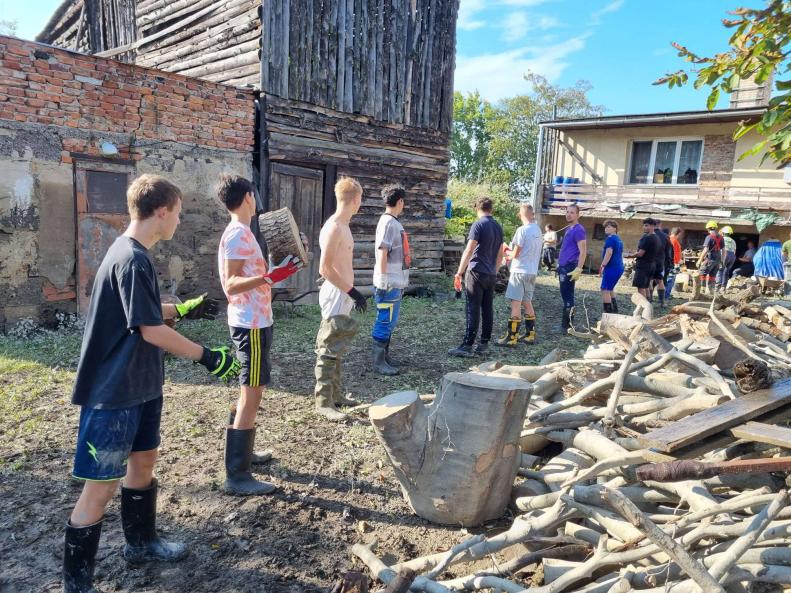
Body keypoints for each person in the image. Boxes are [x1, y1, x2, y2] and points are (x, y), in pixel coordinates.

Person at [63, 174, 241, 593]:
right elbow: (148, 329)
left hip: (141, 384)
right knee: (100, 488)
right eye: (178, 212)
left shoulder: (133, 255)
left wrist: (181, 308)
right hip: (113, 392)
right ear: (161, 211)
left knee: (143, 465)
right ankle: (77, 584)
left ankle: (140, 543)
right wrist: (207, 356)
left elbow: (143, 309)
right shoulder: (131, 257)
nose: (178, 221)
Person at [216, 175, 304, 496]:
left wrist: (278, 269)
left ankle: (244, 452)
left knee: (250, 389)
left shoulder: (242, 233)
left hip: (256, 320)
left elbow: (252, 276)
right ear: (249, 197)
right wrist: (269, 276)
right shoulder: (238, 234)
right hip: (250, 324)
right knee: (252, 391)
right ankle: (237, 474)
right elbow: (231, 284)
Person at [313, 177, 367, 421]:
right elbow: (324, 268)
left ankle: (335, 395)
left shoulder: (344, 226)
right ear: (355, 199)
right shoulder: (334, 227)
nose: (360, 203)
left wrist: (351, 291)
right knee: (328, 346)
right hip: (336, 292)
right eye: (360, 199)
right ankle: (323, 402)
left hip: (343, 292)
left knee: (338, 345)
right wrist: (351, 291)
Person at [448, 197, 504, 357]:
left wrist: (459, 272)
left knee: (472, 308)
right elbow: (500, 254)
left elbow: (469, 249)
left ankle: (467, 345)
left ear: (476, 208)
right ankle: (484, 344)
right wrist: (495, 270)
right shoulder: (497, 227)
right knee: (487, 309)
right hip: (490, 274)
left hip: (476, 272)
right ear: (491, 209)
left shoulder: (478, 225)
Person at [371, 184, 410, 375]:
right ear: (400, 201)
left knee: (390, 321)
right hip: (389, 283)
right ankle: (378, 362)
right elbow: (382, 253)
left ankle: (385, 356)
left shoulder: (393, 223)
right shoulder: (388, 223)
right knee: (385, 320)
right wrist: (383, 280)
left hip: (396, 282)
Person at [496, 203, 542, 346]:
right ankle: (530, 334)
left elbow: (515, 254)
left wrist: (505, 250)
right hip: (532, 271)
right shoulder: (538, 230)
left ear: (520, 215)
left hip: (519, 271)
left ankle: (512, 337)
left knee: (515, 303)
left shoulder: (522, 230)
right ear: (532, 214)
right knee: (527, 302)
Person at [556, 204, 587, 332]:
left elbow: (583, 251)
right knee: (566, 295)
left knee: (568, 296)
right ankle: (566, 325)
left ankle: (566, 326)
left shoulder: (579, 229)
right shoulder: (569, 229)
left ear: (578, 215)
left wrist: (579, 268)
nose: (568, 214)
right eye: (567, 212)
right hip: (564, 266)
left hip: (570, 267)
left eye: (572, 212)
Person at [629, 218, 661, 300]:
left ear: (653, 226)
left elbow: (640, 254)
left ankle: (643, 306)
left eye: (646, 225)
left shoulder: (648, 238)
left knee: (641, 287)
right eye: (644, 225)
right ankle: (648, 303)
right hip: (651, 265)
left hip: (644, 265)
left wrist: (630, 256)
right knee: (646, 286)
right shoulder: (656, 238)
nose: (644, 227)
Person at [599, 220, 624, 314]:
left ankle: (608, 314)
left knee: (604, 289)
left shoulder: (610, 239)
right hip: (619, 267)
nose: (606, 228)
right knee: (610, 288)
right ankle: (615, 309)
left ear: (615, 228)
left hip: (612, 267)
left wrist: (603, 265)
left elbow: (609, 253)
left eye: (609, 227)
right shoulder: (618, 239)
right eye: (605, 227)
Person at [697, 221, 723, 296]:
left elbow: (706, 249)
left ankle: (702, 291)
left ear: (708, 229)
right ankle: (711, 292)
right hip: (718, 259)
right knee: (712, 275)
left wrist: (700, 260)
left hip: (710, 258)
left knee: (702, 272)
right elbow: (724, 251)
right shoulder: (721, 237)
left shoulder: (709, 237)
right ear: (715, 228)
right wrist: (722, 261)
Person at [651, 219, 669, 308]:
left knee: (650, 280)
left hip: (650, 261)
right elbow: (668, 251)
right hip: (660, 262)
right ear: (660, 224)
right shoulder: (665, 236)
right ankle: (662, 302)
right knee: (660, 281)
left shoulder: (649, 235)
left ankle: (649, 301)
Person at [664, 227, 684, 300]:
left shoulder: (669, 239)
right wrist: (678, 261)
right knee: (670, 280)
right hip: (673, 263)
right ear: (678, 234)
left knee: (668, 279)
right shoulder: (674, 241)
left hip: (671, 262)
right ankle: (666, 296)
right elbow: (672, 253)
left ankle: (666, 294)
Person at [716, 226, 736, 292]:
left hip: (725, 254)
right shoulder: (733, 241)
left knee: (720, 270)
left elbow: (718, 249)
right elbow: (734, 251)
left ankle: (717, 287)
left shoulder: (721, 239)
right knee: (726, 271)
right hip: (732, 256)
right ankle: (723, 287)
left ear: (723, 233)